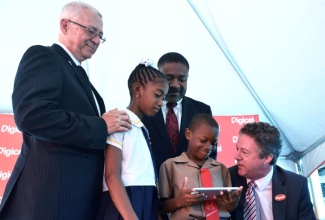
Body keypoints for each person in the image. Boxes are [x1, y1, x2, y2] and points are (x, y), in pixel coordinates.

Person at [0, 2, 132, 220]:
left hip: (78, 201)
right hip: (51, 199)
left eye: (101, 35)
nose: (97, 40)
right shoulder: (45, 57)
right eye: (91, 31)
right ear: (65, 25)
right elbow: (31, 115)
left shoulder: (80, 75)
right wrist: (100, 125)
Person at [96, 60, 168, 220]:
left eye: (163, 97)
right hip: (124, 204)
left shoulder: (142, 128)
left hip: (146, 200)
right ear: (137, 89)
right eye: (157, 94)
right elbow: (112, 175)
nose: (161, 102)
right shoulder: (120, 119)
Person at [159, 113, 242, 220]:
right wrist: (180, 201)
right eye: (203, 140)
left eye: (214, 143)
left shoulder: (221, 169)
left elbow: (229, 208)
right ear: (188, 134)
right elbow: (161, 207)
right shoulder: (170, 166)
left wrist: (232, 204)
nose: (208, 147)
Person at [142, 52, 214, 175]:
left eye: (182, 79)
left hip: (192, 187)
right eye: (168, 78)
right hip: (152, 186)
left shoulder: (202, 111)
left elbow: (210, 155)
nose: (175, 85)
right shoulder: (144, 110)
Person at [229, 122, 316, 220]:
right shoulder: (226, 178)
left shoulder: (296, 185)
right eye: (237, 149)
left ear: (267, 158)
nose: (236, 157)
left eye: (244, 152)